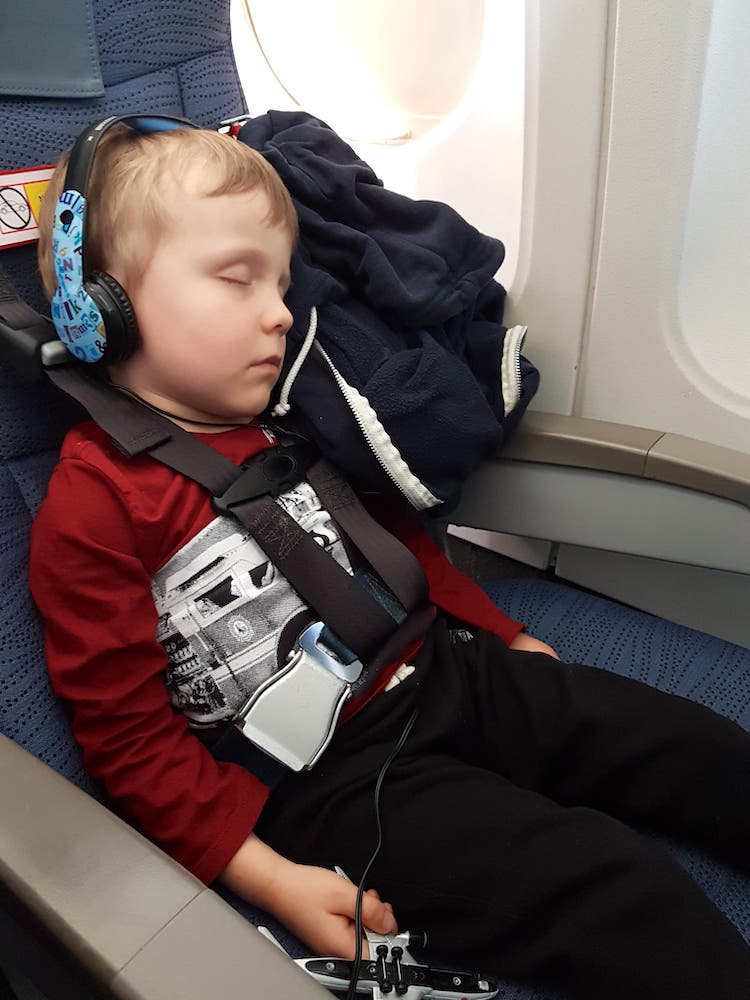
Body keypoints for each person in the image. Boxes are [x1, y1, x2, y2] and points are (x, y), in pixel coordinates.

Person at [30, 124, 750, 1000]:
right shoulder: (95, 506)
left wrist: (506, 638)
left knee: (678, 740)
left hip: (445, 669)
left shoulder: (291, 422)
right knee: (619, 887)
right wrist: (270, 879)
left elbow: (393, 553)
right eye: (236, 277)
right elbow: (127, 738)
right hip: (335, 783)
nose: (281, 311)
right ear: (98, 305)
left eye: (283, 281)